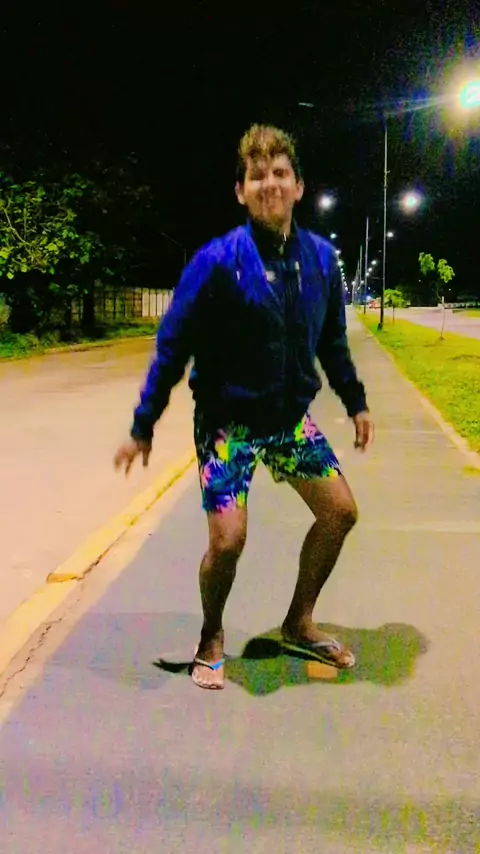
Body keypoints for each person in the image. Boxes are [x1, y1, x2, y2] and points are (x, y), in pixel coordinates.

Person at [114, 124, 374, 690]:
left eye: (280, 173)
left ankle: (298, 621)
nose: (269, 184)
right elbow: (173, 344)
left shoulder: (321, 260)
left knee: (340, 512)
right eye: (257, 176)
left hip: (287, 422)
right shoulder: (215, 262)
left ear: (298, 186)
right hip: (227, 425)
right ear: (241, 191)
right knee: (228, 539)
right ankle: (211, 635)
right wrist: (143, 425)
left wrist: (355, 401)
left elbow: (332, 341)